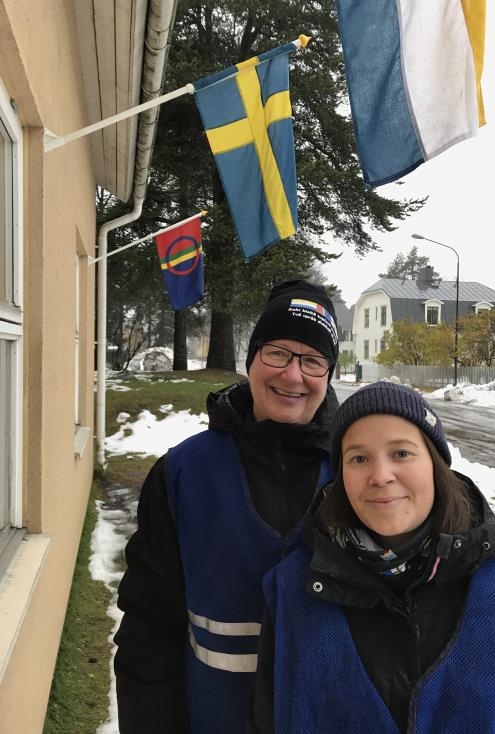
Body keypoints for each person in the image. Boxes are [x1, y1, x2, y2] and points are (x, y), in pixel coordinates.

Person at [249, 381, 495, 733]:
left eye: (402, 453)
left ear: (436, 465)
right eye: (359, 458)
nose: (380, 476)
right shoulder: (290, 593)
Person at [114, 280, 340, 733]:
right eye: (277, 352)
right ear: (252, 358)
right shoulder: (183, 474)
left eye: (313, 360)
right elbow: (149, 630)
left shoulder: (360, 474)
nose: (293, 376)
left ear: (329, 375)